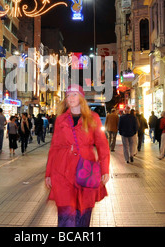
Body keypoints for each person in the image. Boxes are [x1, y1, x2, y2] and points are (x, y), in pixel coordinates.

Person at [45, 84, 110, 227]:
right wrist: (48, 173)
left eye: (74, 94)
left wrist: (105, 169)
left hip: (85, 170)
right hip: (62, 170)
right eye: (68, 95)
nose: (70, 98)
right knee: (66, 216)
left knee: (84, 214)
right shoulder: (61, 119)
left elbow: (102, 145)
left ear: (81, 97)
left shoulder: (93, 118)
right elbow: (54, 147)